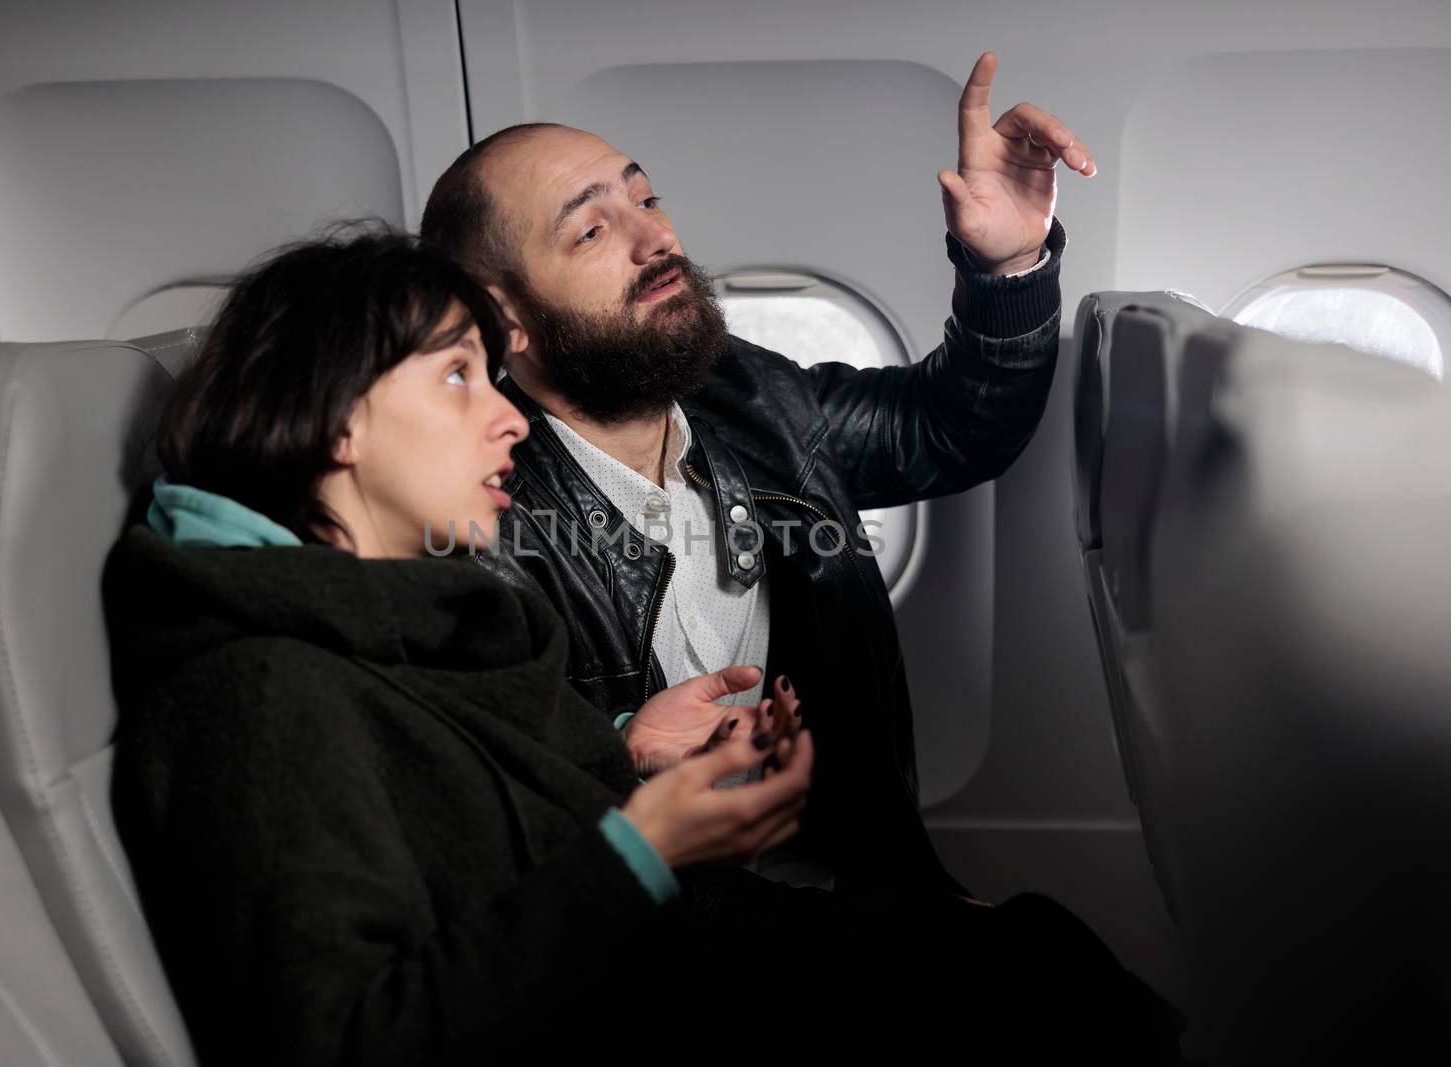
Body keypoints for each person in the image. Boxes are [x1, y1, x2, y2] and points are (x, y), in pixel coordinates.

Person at [104, 225, 1183, 1065]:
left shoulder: (420, 616)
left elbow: (481, 819)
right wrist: (645, 848)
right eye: (455, 378)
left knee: (1037, 956)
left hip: (670, 967)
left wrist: (633, 754)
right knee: (1043, 990)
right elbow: (356, 1041)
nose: (509, 419)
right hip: (635, 1005)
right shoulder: (258, 691)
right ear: (335, 418)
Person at [417, 51, 1089, 898]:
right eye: (592, 230)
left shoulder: (747, 393)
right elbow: (467, 813)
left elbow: (948, 429)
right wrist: (620, 757)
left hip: (850, 884)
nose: (657, 238)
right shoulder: (475, 522)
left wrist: (1006, 265)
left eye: (647, 198)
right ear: (500, 314)